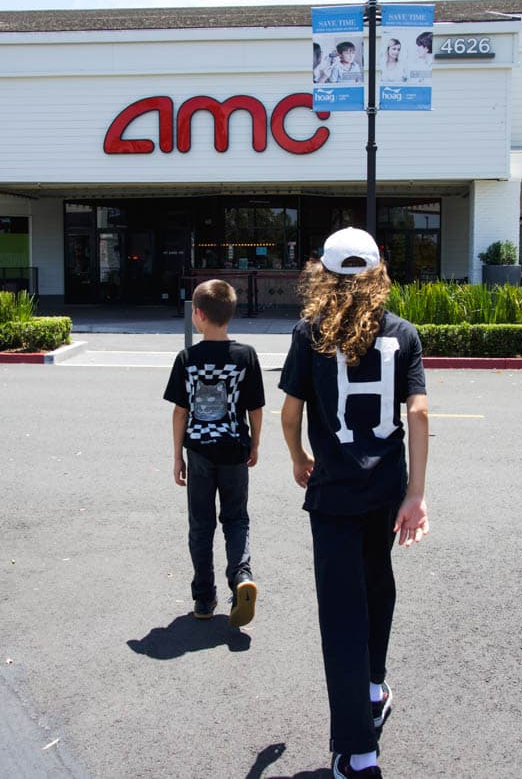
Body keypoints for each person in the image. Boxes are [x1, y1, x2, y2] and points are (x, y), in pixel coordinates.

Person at [279, 227, 429, 779]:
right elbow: (418, 413)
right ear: (378, 272)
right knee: (377, 583)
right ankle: (373, 686)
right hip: (386, 490)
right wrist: (416, 494)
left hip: (334, 493)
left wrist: (297, 456)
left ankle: (357, 752)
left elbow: (290, 413)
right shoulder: (404, 335)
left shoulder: (308, 333)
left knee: (342, 614)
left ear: (324, 273)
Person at [164, 279, 265, 626]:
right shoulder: (246, 356)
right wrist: (255, 443)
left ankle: (204, 599)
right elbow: (255, 408)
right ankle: (241, 578)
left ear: (200, 315)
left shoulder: (187, 358)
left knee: (201, 524)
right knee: (236, 519)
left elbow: (180, 411)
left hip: (200, 452)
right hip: (235, 448)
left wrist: (177, 455)